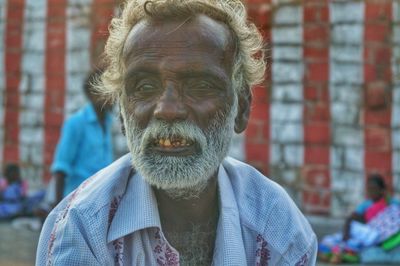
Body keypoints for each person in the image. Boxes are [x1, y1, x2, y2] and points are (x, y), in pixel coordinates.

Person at [37, 1, 317, 265]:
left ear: (241, 109)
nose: (167, 110)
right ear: (122, 113)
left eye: (200, 85)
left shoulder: (277, 225)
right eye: (145, 87)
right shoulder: (83, 228)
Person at [50, 69, 114, 205]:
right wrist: (58, 210)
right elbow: (61, 168)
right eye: (106, 92)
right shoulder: (76, 123)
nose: (112, 97)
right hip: (77, 201)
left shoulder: (108, 122)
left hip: (100, 199)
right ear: (92, 94)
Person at [319, 174, 400, 264]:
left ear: (382, 190)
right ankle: (337, 254)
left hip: (380, 238)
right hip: (364, 234)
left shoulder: (392, 203)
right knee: (332, 241)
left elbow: (394, 219)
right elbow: (350, 220)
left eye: (374, 189)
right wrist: (346, 236)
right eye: (369, 189)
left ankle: (340, 254)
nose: (371, 192)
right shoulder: (366, 205)